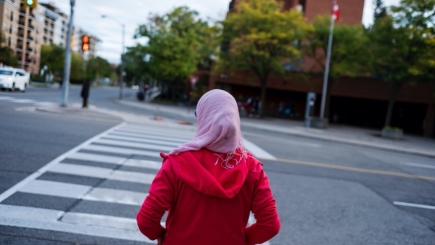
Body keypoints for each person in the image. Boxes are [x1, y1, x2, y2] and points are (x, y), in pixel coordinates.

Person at [136, 89, 280, 245]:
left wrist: (162, 235)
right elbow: (270, 225)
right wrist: (241, 240)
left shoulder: (177, 162)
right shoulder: (252, 168)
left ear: (203, 118)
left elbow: (146, 220)